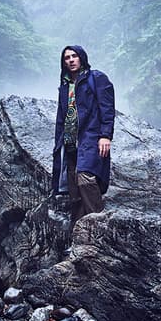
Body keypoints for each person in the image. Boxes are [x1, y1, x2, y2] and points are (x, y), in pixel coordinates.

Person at [51, 45, 115, 220]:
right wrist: (58, 146)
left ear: (82, 58)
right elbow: (60, 118)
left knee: (85, 177)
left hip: (91, 136)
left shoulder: (96, 78)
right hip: (70, 141)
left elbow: (107, 109)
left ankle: (100, 224)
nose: (71, 60)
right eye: (67, 58)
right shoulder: (65, 86)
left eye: (74, 56)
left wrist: (105, 135)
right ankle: (79, 235)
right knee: (74, 192)